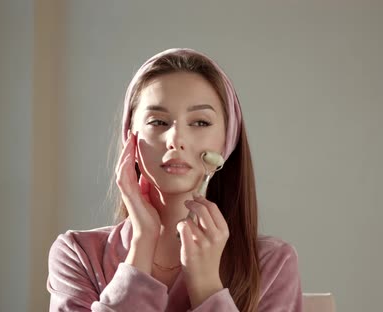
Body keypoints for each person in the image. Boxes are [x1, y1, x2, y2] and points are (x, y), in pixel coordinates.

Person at [47, 48, 303, 312]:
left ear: (228, 140)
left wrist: (206, 286)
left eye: (201, 122)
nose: (176, 140)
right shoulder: (77, 255)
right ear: (130, 138)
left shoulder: (272, 264)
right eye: (157, 121)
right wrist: (142, 244)